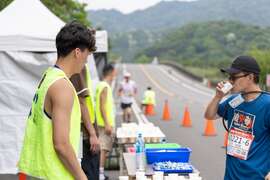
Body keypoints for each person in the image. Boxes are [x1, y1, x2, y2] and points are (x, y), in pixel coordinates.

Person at [18, 21, 96, 180]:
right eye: (87, 56)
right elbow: (61, 144)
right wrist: (82, 177)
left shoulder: (48, 76)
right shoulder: (62, 86)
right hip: (54, 174)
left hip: (39, 171)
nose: (85, 62)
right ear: (77, 53)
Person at [204, 56, 270, 180]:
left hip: (257, 176)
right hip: (231, 176)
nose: (230, 81)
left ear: (250, 77)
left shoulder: (267, 104)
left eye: (234, 77)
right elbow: (209, 115)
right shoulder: (235, 100)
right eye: (229, 77)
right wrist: (218, 97)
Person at [70, 64, 100, 180]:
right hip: (85, 134)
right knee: (90, 172)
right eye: (87, 52)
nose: (88, 57)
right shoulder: (78, 67)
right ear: (78, 51)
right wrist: (92, 134)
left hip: (83, 132)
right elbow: (81, 102)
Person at [95, 64, 117, 180]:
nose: (115, 74)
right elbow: (102, 106)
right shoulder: (104, 86)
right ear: (111, 72)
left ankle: (100, 173)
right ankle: (100, 174)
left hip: (102, 122)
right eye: (115, 72)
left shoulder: (101, 85)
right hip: (104, 124)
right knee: (104, 149)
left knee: (104, 148)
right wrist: (107, 123)